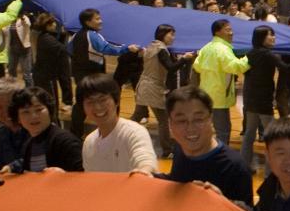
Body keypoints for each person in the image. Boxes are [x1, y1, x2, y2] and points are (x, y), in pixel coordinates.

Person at [160, 86, 253, 207]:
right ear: (170, 124)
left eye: (198, 119)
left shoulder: (234, 166)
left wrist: (222, 203)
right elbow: (177, 181)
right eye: (182, 121)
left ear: (210, 119)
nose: (190, 128)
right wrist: (148, 176)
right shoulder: (181, 148)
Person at [68, 9, 139, 136]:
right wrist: (127, 48)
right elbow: (107, 48)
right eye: (97, 18)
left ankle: (75, 134)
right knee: (104, 102)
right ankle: (109, 132)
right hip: (93, 76)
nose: (100, 21)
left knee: (81, 103)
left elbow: (69, 49)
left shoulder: (75, 35)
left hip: (79, 74)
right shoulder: (93, 35)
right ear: (88, 22)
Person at [240, 25, 290, 170]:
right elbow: (286, 68)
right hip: (263, 99)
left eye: (273, 35)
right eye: (269, 35)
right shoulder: (268, 54)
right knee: (271, 136)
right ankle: (270, 171)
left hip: (250, 98)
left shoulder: (251, 53)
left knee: (249, 134)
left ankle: (243, 165)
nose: (273, 38)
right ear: (261, 38)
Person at [78, 74, 158, 174]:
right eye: (90, 102)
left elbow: (145, 159)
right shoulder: (89, 142)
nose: (97, 107)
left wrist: (143, 170)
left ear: (116, 101)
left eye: (103, 100)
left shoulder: (134, 132)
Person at [134, 24, 193, 156]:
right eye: (171, 34)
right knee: (163, 119)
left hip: (143, 86)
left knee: (137, 115)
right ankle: (167, 150)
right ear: (162, 35)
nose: (173, 37)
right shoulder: (160, 49)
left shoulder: (151, 46)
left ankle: (119, 134)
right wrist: (184, 59)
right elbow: (171, 68)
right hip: (153, 88)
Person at [193, 19, 249, 149]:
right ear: (218, 32)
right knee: (222, 130)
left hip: (205, 94)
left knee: (207, 128)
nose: (232, 33)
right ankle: (220, 156)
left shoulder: (206, 48)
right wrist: (249, 57)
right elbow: (236, 67)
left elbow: (197, 66)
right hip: (219, 95)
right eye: (228, 30)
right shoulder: (223, 49)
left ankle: (207, 152)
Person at [3, 86, 83, 173]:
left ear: (49, 110)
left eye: (39, 109)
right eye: (26, 112)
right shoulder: (29, 143)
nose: (34, 116)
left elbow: (84, 175)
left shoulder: (66, 141)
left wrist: (64, 175)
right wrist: (12, 167)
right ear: (18, 119)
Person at [0, 76, 28, 170]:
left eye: (10, 105)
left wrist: (12, 167)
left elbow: (35, 161)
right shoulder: (1, 133)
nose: (6, 111)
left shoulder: (35, 129)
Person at [31, 13, 72, 113]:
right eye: (52, 23)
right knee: (50, 105)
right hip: (46, 77)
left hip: (43, 75)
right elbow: (64, 50)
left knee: (47, 103)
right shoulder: (47, 40)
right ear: (47, 25)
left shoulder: (44, 36)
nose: (54, 25)